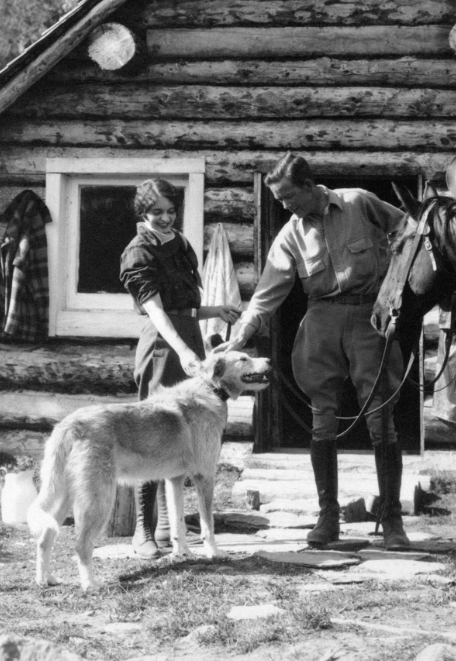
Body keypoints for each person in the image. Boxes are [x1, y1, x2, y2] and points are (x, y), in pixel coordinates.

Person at [222, 153, 410, 550]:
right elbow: (266, 293)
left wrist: (399, 286)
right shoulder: (290, 234)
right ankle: (328, 519)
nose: (285, 206)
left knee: (381, 420)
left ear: (309, 186)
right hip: (320, 323)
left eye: (289, 197)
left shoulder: (359, 201)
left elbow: (410, 234)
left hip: (368, 319)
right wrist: (242, 334)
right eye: (278, 200)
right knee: (322, 421)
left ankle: (392, 521)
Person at [120, 177, 240, 559]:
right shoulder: (137, 252)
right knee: (150, 433)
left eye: (171, 211)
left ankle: (175, 525)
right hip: (161, 344)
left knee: (186, 436)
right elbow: (157, 311)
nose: (166, 219)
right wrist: (185, 350)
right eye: (157, 213)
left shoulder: (182, 244)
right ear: (143, 213)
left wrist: (213, 312)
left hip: (187, 335)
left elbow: (184, 305)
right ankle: (144, 528)